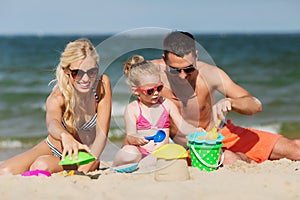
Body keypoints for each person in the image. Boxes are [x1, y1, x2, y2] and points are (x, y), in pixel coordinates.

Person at [149, 31, 300, 164]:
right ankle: (240, 157)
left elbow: (255, 105)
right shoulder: (150, 74)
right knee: (230, 160)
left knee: (295, 150)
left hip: (218, 135)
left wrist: (232, 102)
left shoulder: (210, 74)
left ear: (196, 56)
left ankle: (242, 156)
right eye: (175, 70)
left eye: (188, 68)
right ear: (164, 59)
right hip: (178, 146)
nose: (182, 76)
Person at [0, 38, 112, 175]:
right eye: (77, 73)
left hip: (85, 155)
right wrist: (65, 136)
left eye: (92, 72)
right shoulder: (57, 97)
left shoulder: (102, 85)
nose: (85, 79)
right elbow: (52, 123)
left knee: (41, 165)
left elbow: (102, 134)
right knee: (4, 170)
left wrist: (91, 160)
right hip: (53, 147)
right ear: (67, 70)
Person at [112, 55, 202, 167]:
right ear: (135, 91)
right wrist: (136, 138)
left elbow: (182, 126)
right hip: (140, 152)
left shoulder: (166, 104)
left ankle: (139, 167)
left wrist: (195, 131)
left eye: (159, 88)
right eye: (150, 91)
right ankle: (115, 167)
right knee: (130, 152)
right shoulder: (133, 109)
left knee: (171, 153)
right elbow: (130, 135)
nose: (155, 93)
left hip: (160, 153)